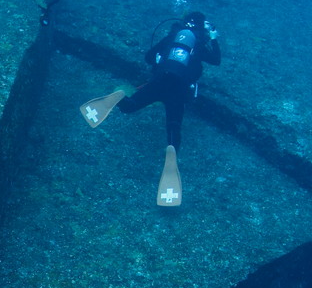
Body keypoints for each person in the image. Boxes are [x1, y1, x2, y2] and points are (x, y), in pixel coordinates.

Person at [79, 11, 221, 207]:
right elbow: (216, 60)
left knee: (129, 107)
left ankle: (118, 97)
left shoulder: (172, 37)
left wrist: (159, 64)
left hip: (159, 82)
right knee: (173, 125)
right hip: (179, 89)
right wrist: (213, 38)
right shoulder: (198, 44)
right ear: (201, 27)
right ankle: (171, 152)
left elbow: (148, 57)